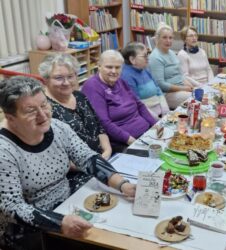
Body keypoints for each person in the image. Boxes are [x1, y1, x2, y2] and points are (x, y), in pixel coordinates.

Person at [0, 76, 136, 250]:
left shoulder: (57, 128)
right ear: (10, 118)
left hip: (67, 205)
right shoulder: (4, 151)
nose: (43, 115)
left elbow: (87, 157)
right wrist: (59, 223)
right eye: (30, 110)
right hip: (30, 228)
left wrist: (122, 184)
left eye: (44, 105)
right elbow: (11, 206)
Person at [38, 53, 112, 159]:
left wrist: (107, 151)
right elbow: (53, 155)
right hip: (78, 170)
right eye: (59, 78)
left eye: (70, 76)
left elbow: (99, 127)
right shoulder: (44, 108)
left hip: (102, 158)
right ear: (45, 80)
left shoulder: (79, 96)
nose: (66, 82)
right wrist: (94, 164)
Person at [82, 50, 157, 152]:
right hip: (123, 142)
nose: (114, 71)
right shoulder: (92, 86)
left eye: (117, 67)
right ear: (99, 66)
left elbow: (139, 105)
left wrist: (155, 125)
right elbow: (104, 123)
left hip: (146, 133)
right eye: (109, 67)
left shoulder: (120, 81)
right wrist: (130, 140)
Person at [149, 23, 194, 110]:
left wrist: (188, 84)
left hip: (181, 89)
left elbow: (180, 74)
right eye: (164, 37)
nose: (168, 41)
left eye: (170, 38)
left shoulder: (172, 53)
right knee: (195, 100)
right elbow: (161, 84)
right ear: (157, 39)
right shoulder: (155, 57)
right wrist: (183, 88)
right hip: (167, 94)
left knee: (202, 95)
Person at [120, 42, 169, 120]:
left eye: (148, 54)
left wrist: (165, 109)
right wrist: (157, 119)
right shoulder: (126, 76)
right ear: (132, 59)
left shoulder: (144, 69)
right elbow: (137, 103)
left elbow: (157, 88)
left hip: (159, 110)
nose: (148, 58)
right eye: (144, 56)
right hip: (147, 115)